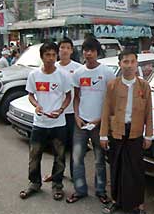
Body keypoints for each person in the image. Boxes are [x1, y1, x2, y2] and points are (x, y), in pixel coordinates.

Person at [100, 50, 153, 214]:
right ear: (120, 64)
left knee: (136, 170)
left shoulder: (144, 86)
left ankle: (137, 204)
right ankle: (116, 201)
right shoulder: (113, 85)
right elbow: (106, 109)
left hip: (135, 132)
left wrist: (149, 135)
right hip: (117, 131)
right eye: (125, 62)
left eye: (132, 62)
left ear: (137, 64)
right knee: (116, 167)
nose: (129, 65)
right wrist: (103, 134)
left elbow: (149, 112)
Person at [19, 42, 72, 201]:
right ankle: (34, 183)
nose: (50, 58)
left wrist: (61, 110)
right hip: (39, 123)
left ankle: (57, 185)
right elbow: (30, 95)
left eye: (53, 55)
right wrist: (36, 106)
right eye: (47, 55)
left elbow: (68, 96)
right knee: (34, 155)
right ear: (42, 56)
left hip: (58, 124)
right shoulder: (34, 75)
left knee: (60, 156)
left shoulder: (63, 75)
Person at [66, 37, 115, 204]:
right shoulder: (79, 73)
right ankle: (80, 190)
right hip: (81, 123)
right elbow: (77, 97)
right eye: (86, 50)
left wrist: (100, 120)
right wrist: (77, 116)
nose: (88, 53)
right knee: (77, 157)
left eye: (92, 50)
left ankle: (101, 191)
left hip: (99, 124)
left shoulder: (107, 73)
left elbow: (111, 101)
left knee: (99, 159)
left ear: (97, 53)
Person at [42, 38, 82, 182]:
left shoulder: (78, 68)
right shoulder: (53, 67)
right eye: (62, 47)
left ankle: (74, 175)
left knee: (72, 146)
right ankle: (57, 174)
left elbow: (79, 92)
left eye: (67, 47)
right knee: (58, 146)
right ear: (58, 51)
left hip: (72, 114)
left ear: (71, 50)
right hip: (57, 114)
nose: (64, 50)